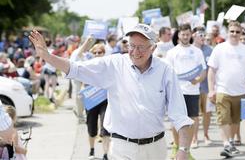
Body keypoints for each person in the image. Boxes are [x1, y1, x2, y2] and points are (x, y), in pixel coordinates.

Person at [29, 23, 193, 160]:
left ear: (153, 48)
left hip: (155, 149)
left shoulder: (165, 70)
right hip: (122, 148)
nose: (135, 52)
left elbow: (179, 114)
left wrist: (183, 149)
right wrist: (47, 56)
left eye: (141, 47)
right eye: (132, 46)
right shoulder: (114, 64)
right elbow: (76, 69)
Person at [208, 21, 245, 158]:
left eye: (237, 31)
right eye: (232, 31)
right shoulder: (220, 48)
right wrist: (211, 90)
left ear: (241, 33)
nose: (234, 34)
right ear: (228, 32)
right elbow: (211, 70)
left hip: (240, 91)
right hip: (222, 90)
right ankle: (226, 144)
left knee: (236, 120)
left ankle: (231, 142)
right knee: (223, 118)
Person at [166, 24, 206, 158]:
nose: (185, 37)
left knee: (192, 121)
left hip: (193, 91)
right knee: (176, 121)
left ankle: (186, 151)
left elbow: (204, 71)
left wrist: (198, 80)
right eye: (183, 34)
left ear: (191, 35)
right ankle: (176, 147)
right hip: (178, 92)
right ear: (178, 35)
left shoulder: (197, 51)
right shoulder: (172, 52)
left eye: (187, 34)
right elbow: (168, 72)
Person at [84, 43, 110, 160]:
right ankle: (91, 149)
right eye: (95, 53)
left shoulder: (108, 67)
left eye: (99, 52)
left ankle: (105, 154)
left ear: (104, 53)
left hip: (105, 100)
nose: (97, 54)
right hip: (91, 99)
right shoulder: (88, 66)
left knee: (105, 127)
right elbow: (82, 81)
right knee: (91, 128)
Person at [192, 26, 213, 145]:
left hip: (206, 87)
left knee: (207, 113)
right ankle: (194, 137)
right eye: (200, 34)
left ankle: (206, 135)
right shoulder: (190, 50)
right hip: (193, 87)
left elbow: (212, 68)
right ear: (193, 35)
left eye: (204, 35)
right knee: (194, 114)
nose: (203, 37)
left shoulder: (209, 50)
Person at [70, 37, 94, 123]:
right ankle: (80, 116)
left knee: (82, 97)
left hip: (84, 78)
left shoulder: (86, 53)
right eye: (88, 44)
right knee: (79, 97)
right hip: (77, 78)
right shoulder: (77, 52)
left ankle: (79, 111)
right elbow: (79, 54)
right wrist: (87, 40)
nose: (89, 46)